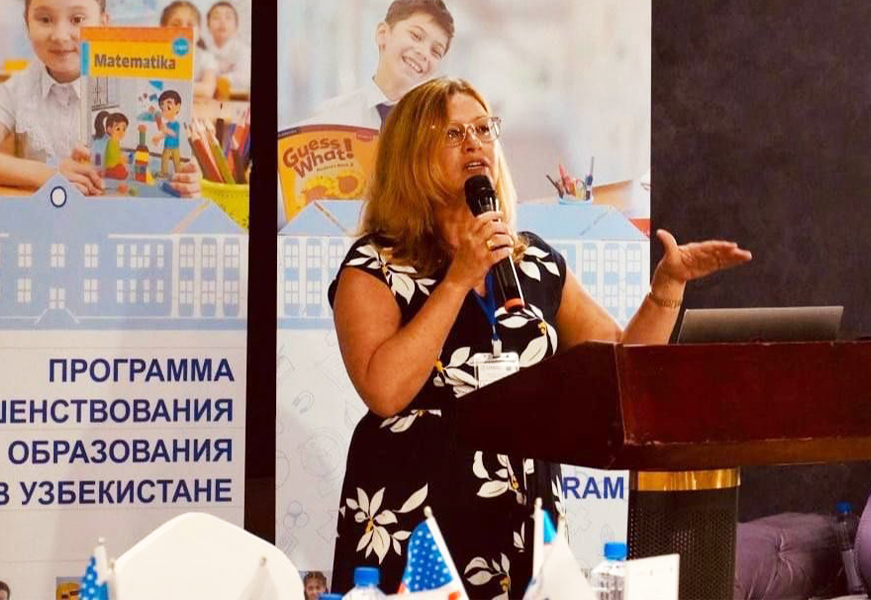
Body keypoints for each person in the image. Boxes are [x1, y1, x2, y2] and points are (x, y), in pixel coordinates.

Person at [327, 77, 752, 598]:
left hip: (523, 519)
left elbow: (619, 368)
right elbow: (384, 390)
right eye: (454, 133)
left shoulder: (533, 261)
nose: (475, 144)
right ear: (411, 155)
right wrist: (459, 278)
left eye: (484, 129)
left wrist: (666, 288)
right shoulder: (375, 265)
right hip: (412, 524)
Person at [0, 0, 200, 196]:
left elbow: (182, 169)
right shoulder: (18, 89)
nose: (60, 35)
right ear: (27, 25)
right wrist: (48, 174)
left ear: (103, 24)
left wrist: (190, 181)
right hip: (45, 222)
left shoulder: (132, 83)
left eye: (77, 19)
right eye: (45, 19)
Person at [303, 0, 454, 129]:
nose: (424, 53)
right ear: (383, 34)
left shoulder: (435, 133)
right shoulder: (330, 118)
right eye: (415, 36)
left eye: (435, 51)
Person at [160, 1, 218, 100]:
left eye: (190, 25)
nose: (183, 29)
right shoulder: (157, 57)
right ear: (162, 30)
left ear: (199, 33)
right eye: (175, 24)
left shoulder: (206, 58)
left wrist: (168, 86)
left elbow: (207, 90)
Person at [205, 1, 251, 92]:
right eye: (216, 17)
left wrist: (211, 79)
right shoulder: (204, 52)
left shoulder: (244, 51)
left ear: (236, 26)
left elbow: (245, 78)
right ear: (208, 26)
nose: (222, 22)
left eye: (228, 17)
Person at [151, 90, 183, 178]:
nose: (164, 110)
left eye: (168, 107)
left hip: (175, 146)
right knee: (164, 159)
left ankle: (179, 173)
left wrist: (165, 130)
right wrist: (158, 138)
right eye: (162, 108)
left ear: (177, 107)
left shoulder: (176, 124)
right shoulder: (167, 124)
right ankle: (164, 172)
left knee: (176, 160)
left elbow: (173, 134)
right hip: (167, 145)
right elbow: (165, 134)